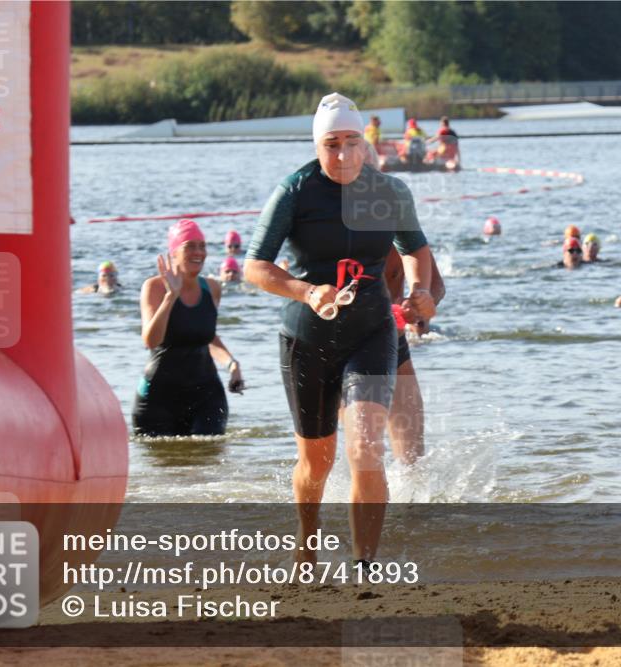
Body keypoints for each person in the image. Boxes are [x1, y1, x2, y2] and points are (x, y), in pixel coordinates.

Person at [244, 92, 434, 565]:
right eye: (332, 144)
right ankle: (307, 541)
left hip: (371, 332)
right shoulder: (295, 192)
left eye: (353, 141)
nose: (344, 154)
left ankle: (365, 566)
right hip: (307, 338)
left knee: (366, 447)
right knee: (317, 463)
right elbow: (255, 266)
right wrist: (307, 292)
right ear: (317, 146)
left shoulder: (389, 192)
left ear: (366, 143)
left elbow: (415, 248)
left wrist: (419, 289)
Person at [133, 219, 245, 437]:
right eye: (190, 246)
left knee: (210, 459)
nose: (199, 252)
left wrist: (231, 363)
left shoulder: (212, 288)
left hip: (206, 394)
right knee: (164, 465)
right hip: (158, 398)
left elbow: (207, 336)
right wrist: (170, 297)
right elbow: (150, 341)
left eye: (202, 246)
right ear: (174, 252)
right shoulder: (153, 287)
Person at [382, 246, 444, 466]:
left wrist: (420, 304)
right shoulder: (328, 226)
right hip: (338, 349)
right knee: (361, 451)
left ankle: (412, 500)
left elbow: (436, 285)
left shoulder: (397, 222)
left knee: (413, 463)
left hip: (394, 346)